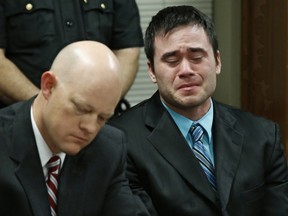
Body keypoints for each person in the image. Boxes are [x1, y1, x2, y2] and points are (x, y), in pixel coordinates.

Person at [109, 5, 288, 216]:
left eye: (196, 57)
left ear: (217, 61)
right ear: (152, 71)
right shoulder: (120, 142)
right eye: (172, 60)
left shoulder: (263, 136)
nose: (186, 70)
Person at [0, 41, 150, 216]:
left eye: (103, 117)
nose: (90, 127)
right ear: (48, 86)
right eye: (81, 109)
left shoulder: (107, 149)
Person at [0, 0, 143, 115]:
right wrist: (45, 107)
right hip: (22, 122)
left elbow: (127, 51)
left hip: (99, 128)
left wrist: (98, 109)